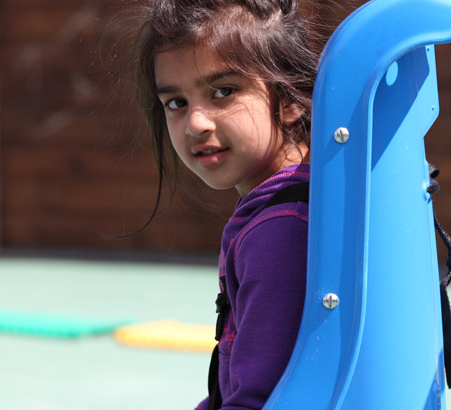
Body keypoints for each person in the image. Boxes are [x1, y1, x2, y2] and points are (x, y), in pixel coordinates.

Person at [129, 0, 317, 408]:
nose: (196, 122)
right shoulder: (292, 203)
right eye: (176, 102)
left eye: (223, 91)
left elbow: (258, 399)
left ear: (291, 98)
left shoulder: (282, 229)